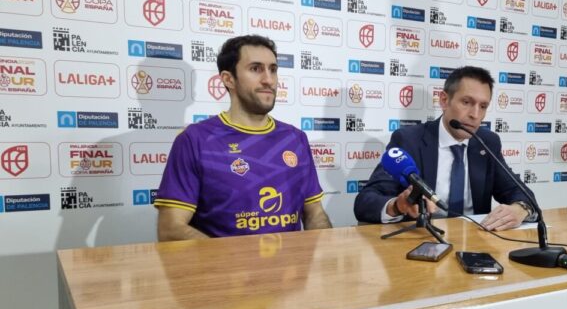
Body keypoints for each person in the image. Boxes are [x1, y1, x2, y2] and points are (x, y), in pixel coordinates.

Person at [155, 34, 332, 241]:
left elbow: (315, 214)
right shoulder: (195, 140)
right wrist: (232, 258)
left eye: (273, 69)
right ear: (228, 79)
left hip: (291, 262)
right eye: (256, 69)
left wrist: (327, 249)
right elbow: (171, 229)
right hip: (223, 263)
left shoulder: (295, 139)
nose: (268, 80)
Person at [353, 66, 536, 231]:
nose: (475, 115)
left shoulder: (487, 142)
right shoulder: (410, 140)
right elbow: (365, 202)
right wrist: (397, 205)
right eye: (466, 102)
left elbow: (520, 192)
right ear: (444, 100)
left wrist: (520, 209)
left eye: (483, 106)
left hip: (475, 242)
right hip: (422, 241)